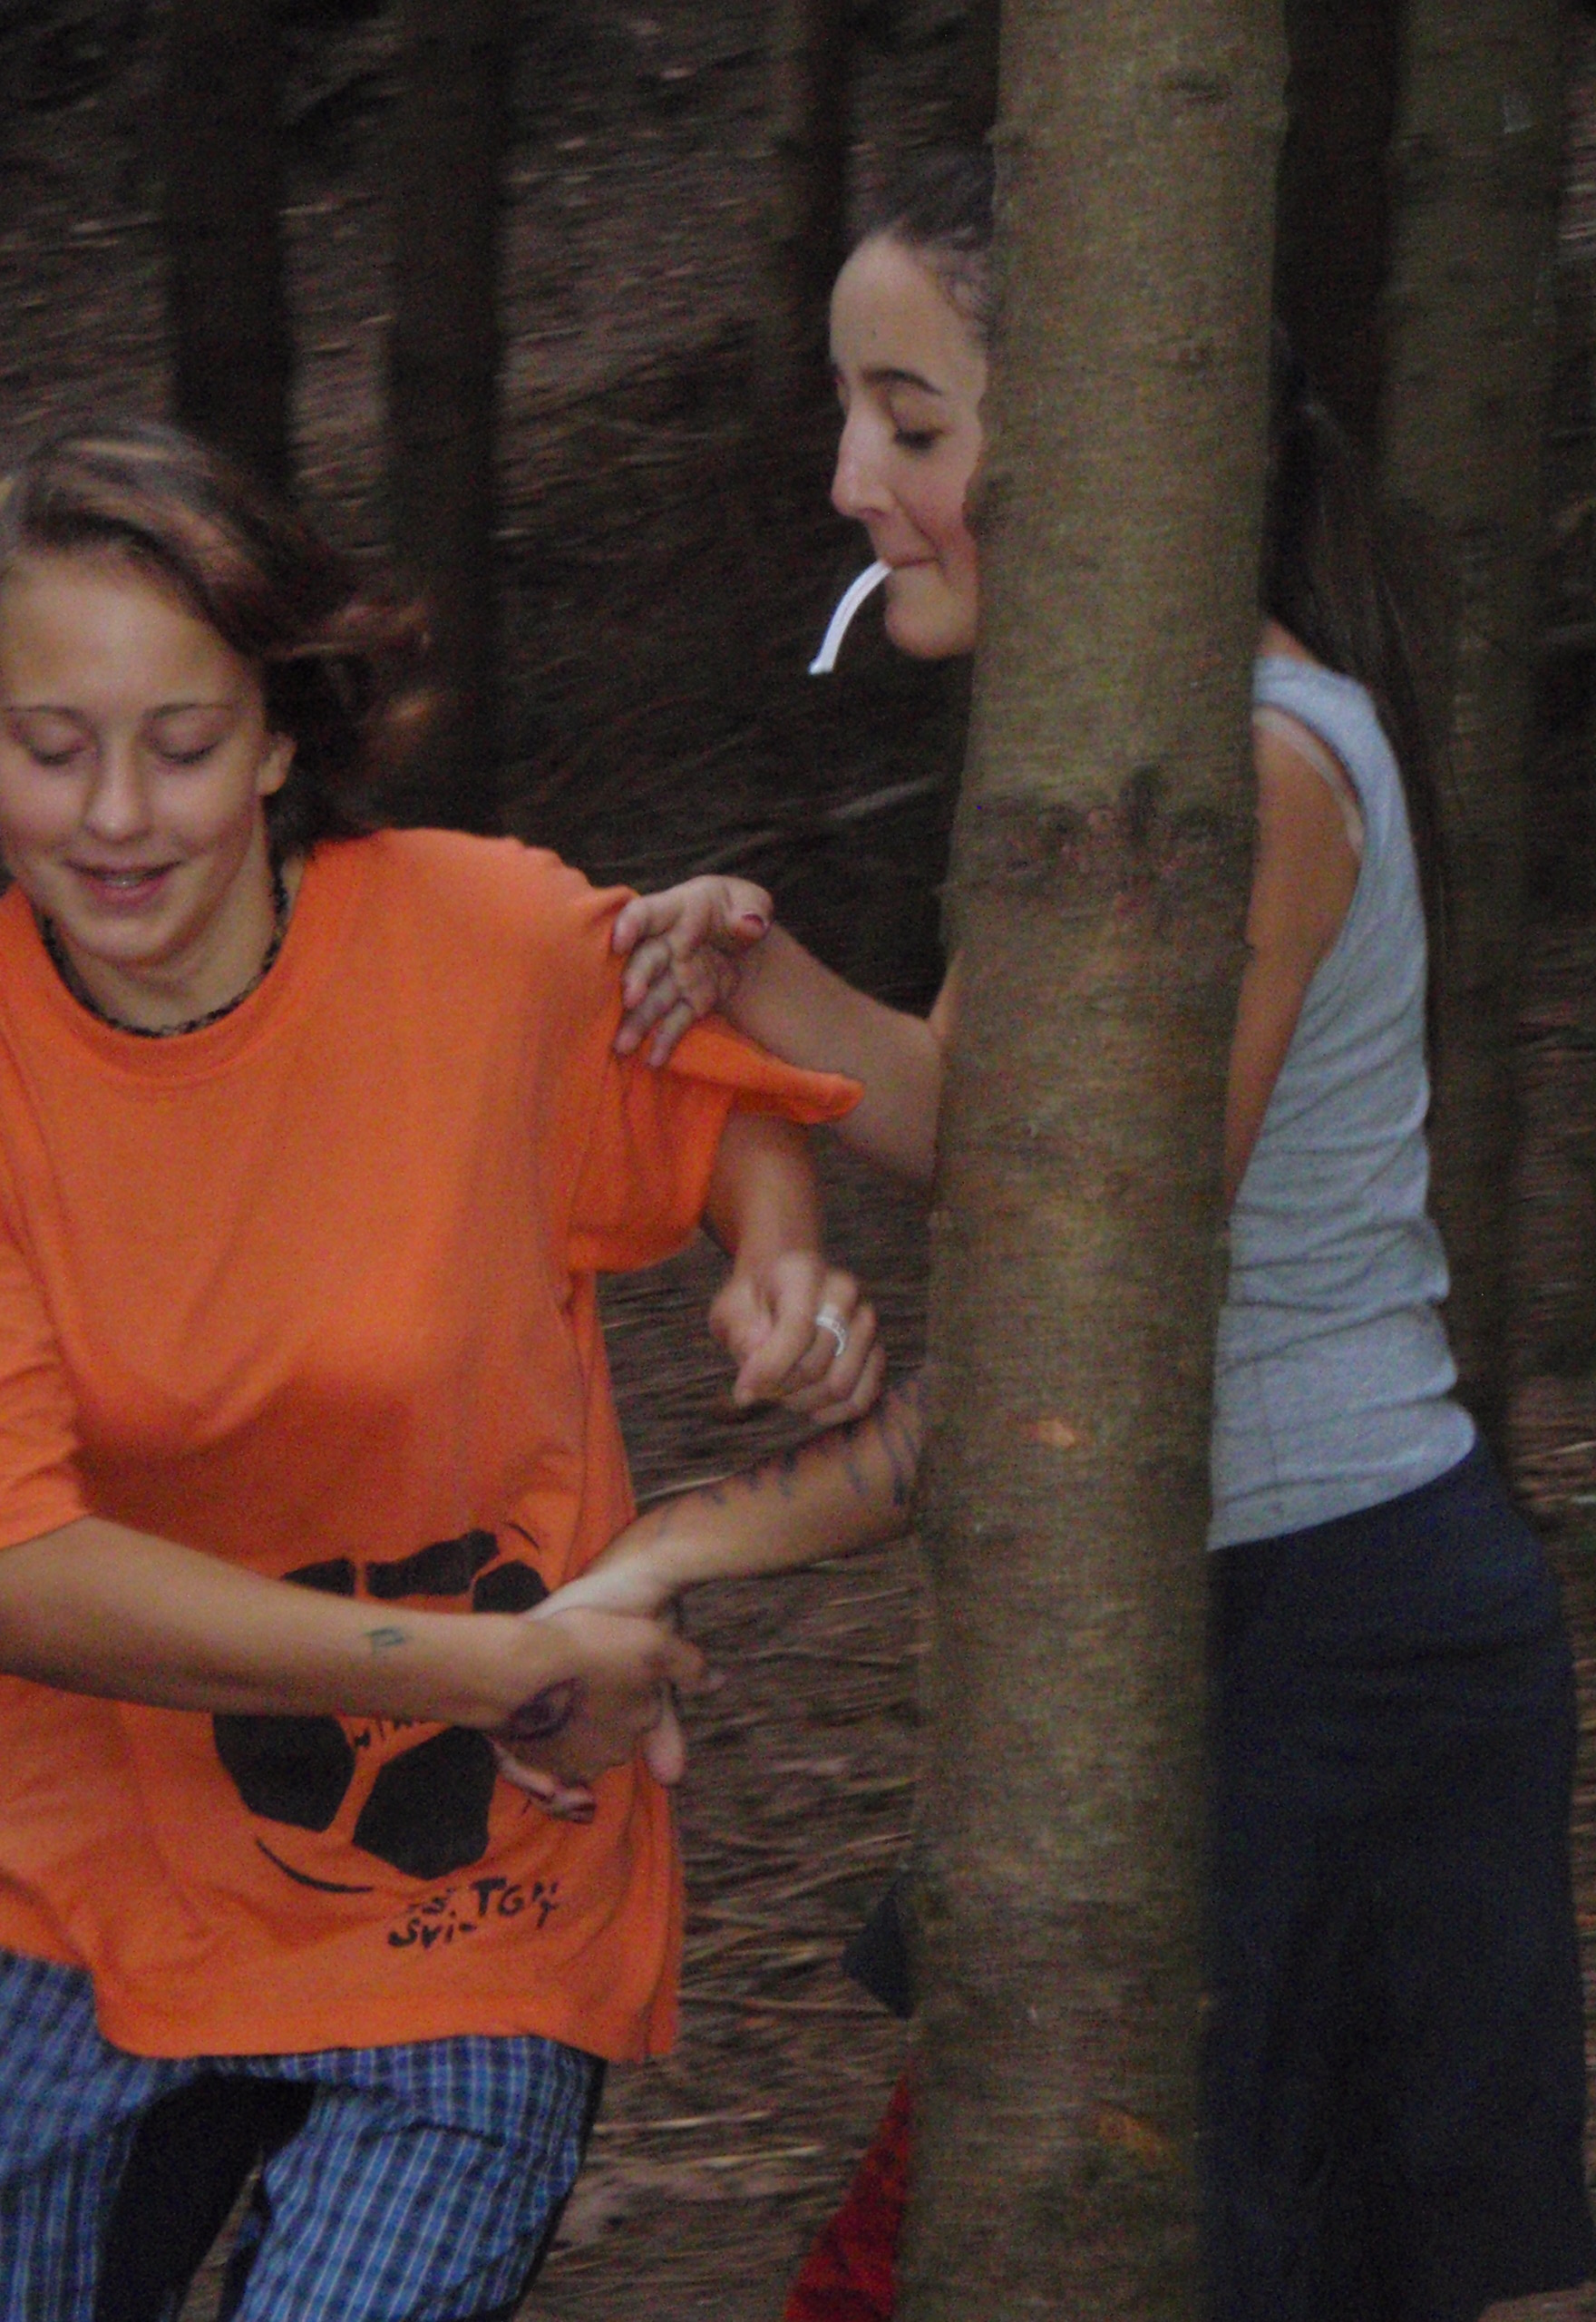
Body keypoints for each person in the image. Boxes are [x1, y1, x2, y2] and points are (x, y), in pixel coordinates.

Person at [604, 147, 1596, 2322]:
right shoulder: (1122, 746)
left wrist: (684, 1539)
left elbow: (1096, 1301)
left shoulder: (1259, 771)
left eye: (912, 421)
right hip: (1212, 1611)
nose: (852, 481)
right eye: (852, 416)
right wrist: (757, 968)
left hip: (1329, 1639)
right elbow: (998, 1135)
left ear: (1118, 439)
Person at [0, 421, 888, 2322]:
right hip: (94, 1882)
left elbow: (701, 1072)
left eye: (182, 743)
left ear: (277, 736)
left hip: (478, 1887)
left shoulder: (481, 936)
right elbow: (2, 1572)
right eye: (53, 746)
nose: (116, 815)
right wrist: (496, 1668)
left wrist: (779, 1257)